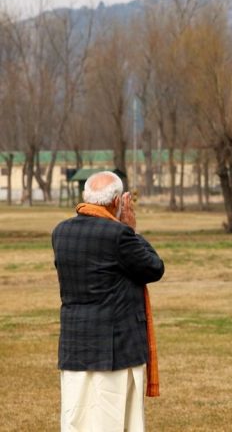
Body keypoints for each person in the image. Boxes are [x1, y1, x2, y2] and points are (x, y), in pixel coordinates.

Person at [52, 171, 165, 432]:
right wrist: (130, 229)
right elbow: (154, 268)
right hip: (115, 348)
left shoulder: (61, 232)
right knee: (113, 420)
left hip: (75, 345)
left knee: (77, 417)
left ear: (85, 198)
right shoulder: (119, 236)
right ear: (117, 201)